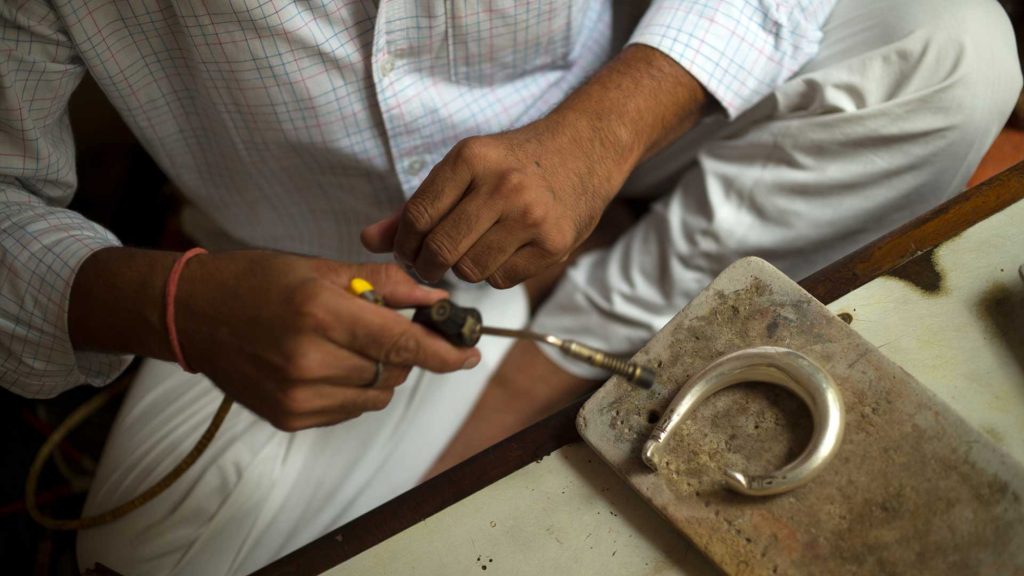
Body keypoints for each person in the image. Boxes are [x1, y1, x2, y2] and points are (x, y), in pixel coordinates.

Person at [0, 0, 1018, 574]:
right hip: (296, 274)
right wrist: (169, 305)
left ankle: (571, 352)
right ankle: (603, 326)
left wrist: (603, 132)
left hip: (622, 116)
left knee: (949, 51)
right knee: (156, 566)